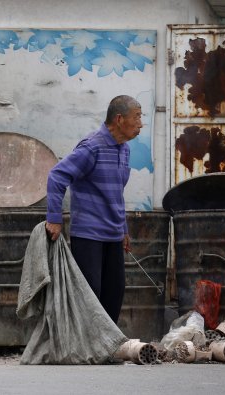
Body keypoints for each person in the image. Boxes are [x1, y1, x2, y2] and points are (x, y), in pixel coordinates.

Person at [44, 95, 142, 323]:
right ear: (119, 119)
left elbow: (116, 191)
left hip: (113, 234)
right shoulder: (92, 147)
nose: (140, 124)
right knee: (90, 296)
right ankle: (87, 348)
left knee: (114, 294)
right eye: (136, 117)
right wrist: (54, 218)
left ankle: (106, 347)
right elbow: (57, 176)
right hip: (89, 234)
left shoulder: (124, 149)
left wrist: (123, 229)